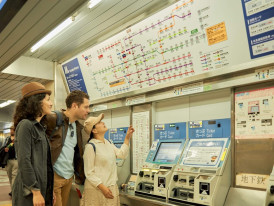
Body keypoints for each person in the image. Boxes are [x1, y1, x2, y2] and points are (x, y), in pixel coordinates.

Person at [44, 90, 90, 206]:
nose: (88, 111)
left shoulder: (78, 127)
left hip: (69, 177)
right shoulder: (53, 119)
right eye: (86, 107)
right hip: (54, 176)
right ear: (75, 105)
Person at [12, 82, 55, 206]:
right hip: (29, 192)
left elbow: (45, 164)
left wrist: (49, 190)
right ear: (37, 102)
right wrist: (35, 191)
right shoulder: (26, 125)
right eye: (48, 100)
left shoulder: (40, 128)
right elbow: (24, 161)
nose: (51, 103)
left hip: (42, 188)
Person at [83, 113, 135, 206]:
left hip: (111, 188)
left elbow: (121, 154)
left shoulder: (108, 143)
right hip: (97, 190)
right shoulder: (90, 147)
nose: (103, 122)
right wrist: (103, 188)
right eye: (99, 122)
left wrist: (127, 137)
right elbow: (89, 173)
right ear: (94, 130)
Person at [4, 126, 18, 196]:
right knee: (10, 176)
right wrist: (5, 149)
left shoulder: (18, 138)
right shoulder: (7, 138)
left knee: (14, 176)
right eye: (10, 130)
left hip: (16, 160)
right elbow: (4, 147)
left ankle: (14, 191)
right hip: (8, 160)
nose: (11, 131)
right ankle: (13, 190)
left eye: (12, 130)